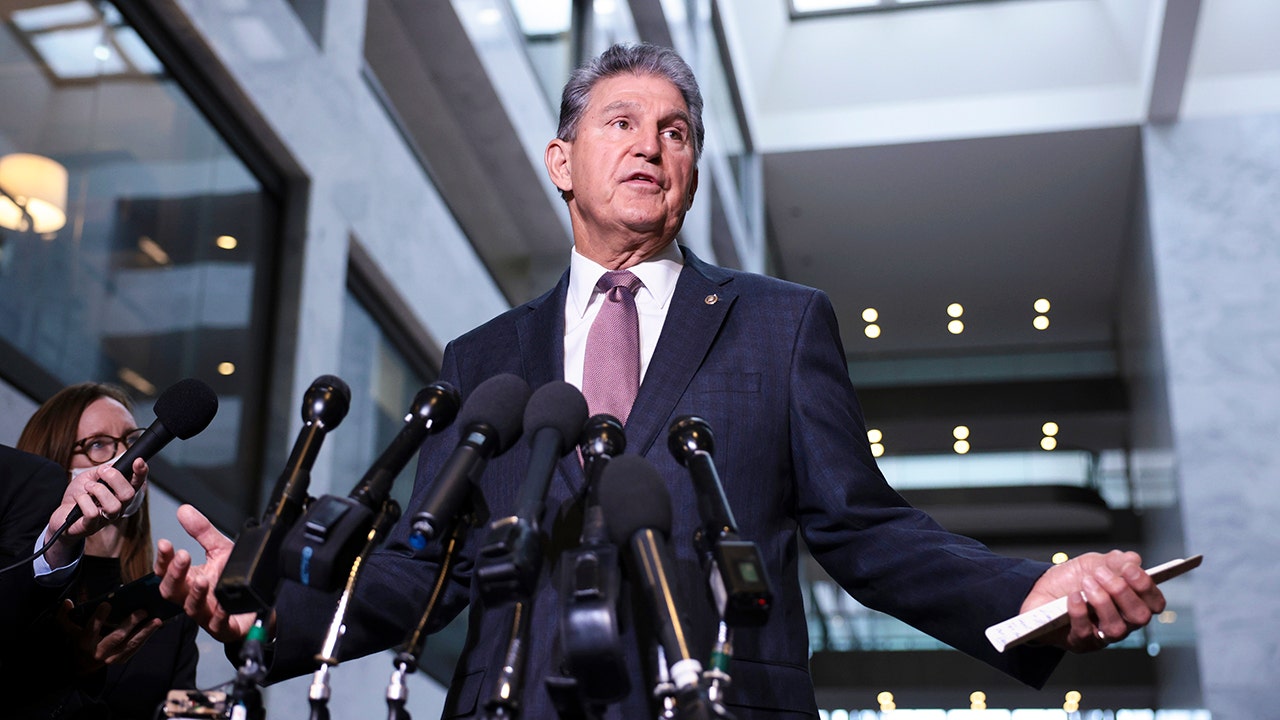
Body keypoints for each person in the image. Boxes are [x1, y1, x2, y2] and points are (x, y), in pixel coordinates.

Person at [156, 43, 1165, 718]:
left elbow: (860, 527)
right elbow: (429, 567)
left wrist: (1026, 591)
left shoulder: (778, 323)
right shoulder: (481, 360)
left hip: (718, 699)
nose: (650, 143)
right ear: (560, 159)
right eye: (621, 122)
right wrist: (264, 613)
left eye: (675, 129)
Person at [9, 383, 199, 719]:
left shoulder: (168, 606)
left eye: (131, 441)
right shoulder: (22, 579)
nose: (123, 457)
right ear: (55, 462)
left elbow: (184, 706)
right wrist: (74, 669)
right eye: (97, 444)